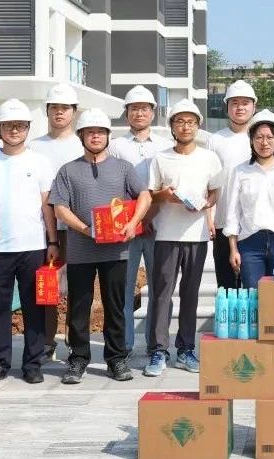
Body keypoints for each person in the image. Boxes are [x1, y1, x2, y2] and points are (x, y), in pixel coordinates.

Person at [50, 108, 152, 384]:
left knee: (115, 306)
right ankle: (78, 358)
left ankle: (116, 358)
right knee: (78, 307)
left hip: (115, 250)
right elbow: (60, 208)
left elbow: (144, 195)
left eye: (100, 132)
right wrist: (86, 229)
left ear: (108, 136)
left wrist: (133, 223)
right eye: (90, 132)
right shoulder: (68, 170)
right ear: (81, 136)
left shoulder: (123, 168)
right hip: (80, 250)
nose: (95, 137)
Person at [0, 98, 59, 386]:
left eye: (20, 125)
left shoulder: (40, 162)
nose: (14, 130)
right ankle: (0, 363)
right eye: (8, 125)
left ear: (28, 128)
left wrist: (53, 241)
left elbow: (47, 205)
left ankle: (32, 364)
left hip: (33, 248)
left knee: (35, 308)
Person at [143, 99, 224, 377]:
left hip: (196, 236)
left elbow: (215, 191)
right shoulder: (161, 157)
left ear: (198, 126)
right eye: (180, 121)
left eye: (190, 122)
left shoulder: (209, 158)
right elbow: (151, 194)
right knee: (162, 293)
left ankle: (186, 349)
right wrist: (165, 195)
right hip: (166, 234)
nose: (185, 127)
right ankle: (158, 351)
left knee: (190, 293)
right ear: (172, 126)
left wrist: (205, 205)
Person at [110, 85, 173, 354]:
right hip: (126, 228)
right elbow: (114, 188)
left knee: (161, 288)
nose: (139, 113)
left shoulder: (165, 145)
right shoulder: (116, 146)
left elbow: (168, 185)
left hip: (160, 225)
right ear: (126, 113)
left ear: (153, 112)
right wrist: (134, 220)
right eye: (134, 109)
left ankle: (156, 344)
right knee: (124, 288)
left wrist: (148, 216)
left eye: (144, 109)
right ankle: (124, 344)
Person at [28, 82, 82, 362]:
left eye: (65, 108)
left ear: (74, 111)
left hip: (76, 228)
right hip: (42, 229)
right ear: (47, 111)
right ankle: (47, 341)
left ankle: (75, 341)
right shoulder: (34, 146)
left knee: (77, 286)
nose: (59, 112)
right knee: (46, 286)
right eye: (54, 108)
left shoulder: (81, 144)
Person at [223, 109, 274, 293]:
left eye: (269, 137)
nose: (264, 143)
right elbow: (233, 214)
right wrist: (233, 249)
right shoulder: (240, 171)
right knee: (253, 296)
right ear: (251, 140)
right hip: (250, 244)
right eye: (258, 137)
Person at [208, 80, 257, 292]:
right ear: (227, 107)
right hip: (223, 222)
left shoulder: (261, 137)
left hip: (254, 223)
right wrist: (209, 216)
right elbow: (209, 182)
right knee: (227, 287)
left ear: (254, 106)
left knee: (253, 286)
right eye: (235, 103)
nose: (240, 107)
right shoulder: (215, 139)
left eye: (245, 103)